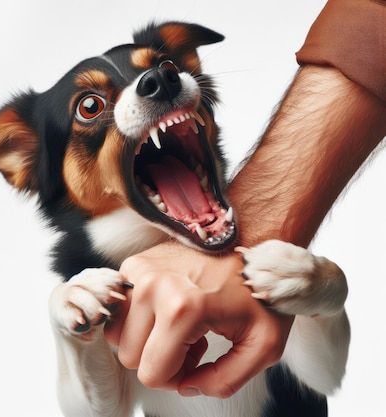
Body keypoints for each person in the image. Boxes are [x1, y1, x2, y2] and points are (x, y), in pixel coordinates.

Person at [103, 0, 386, 398]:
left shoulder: (279, 270)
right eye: (90, 106)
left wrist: (323, 284)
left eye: (169, 69)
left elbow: (326, 377)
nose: (156, 81)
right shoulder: (92, 290)